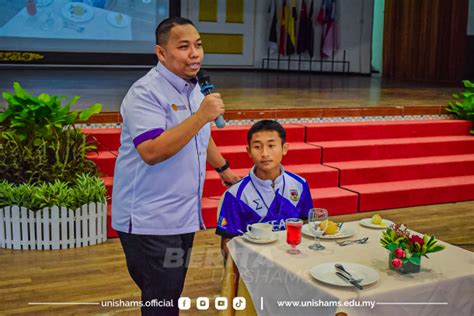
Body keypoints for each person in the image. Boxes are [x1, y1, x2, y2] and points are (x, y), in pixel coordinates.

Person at [111, 17, 239, 315]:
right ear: (161, 53)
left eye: (198, 45)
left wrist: (223, 169)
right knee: (163, 299)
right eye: (184, 47)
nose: (194, 53)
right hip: (149, 218)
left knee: (169, 293)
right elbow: (152, 151)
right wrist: (201, 116)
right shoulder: (146, 93)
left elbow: (199, 136)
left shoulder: (193, 88)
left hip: (182, 215)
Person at [216, 120, 314, 258]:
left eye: (271, 145)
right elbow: (227, 244)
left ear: (284, 148)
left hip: (293, 259)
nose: (265, 153)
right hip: (255, 266)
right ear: (249, 151)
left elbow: (307, 227)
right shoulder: (235, 194)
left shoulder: (299, 185)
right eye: (257, 147)